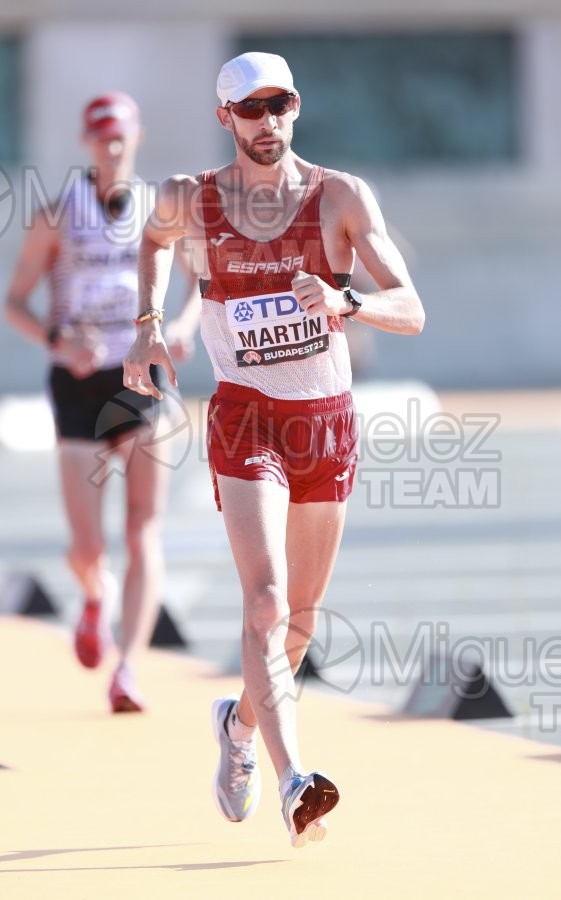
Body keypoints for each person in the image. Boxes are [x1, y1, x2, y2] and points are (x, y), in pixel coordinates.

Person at [123, 52, 425, 846]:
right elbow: (153, 244)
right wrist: (147, 328)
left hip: (324, 421)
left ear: (296, 108)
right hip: (246, 417)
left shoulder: (340, 197)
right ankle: (296, 780)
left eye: (280, 105)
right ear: (225, 117)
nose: (268, 122)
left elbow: (412, 309)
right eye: (250, 109)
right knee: (262, 601)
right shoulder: (191, 197)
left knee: (297, 625)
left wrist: (345, 299)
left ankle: (240, 727)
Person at [4, 91, 200, 713]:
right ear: (88, 142)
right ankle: (96, 593)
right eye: (102, 138)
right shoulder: (57, 214)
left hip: (140, 377)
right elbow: (15, 301)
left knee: (143, 528)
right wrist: (58, 338)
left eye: (121, 137)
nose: (112, 148)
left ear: (136, 138)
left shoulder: (157, 208)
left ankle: (129, 668)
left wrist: (184, 326)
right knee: (86, 546)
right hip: (78, 383)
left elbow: (204, 275)